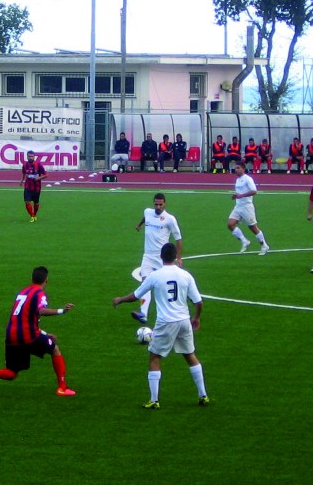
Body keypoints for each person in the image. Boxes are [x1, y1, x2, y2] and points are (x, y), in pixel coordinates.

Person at [112, 242, 208, 409]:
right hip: (184, 321)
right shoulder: (186, 275)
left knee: (155, 357)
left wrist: (120, 299)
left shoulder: (155, 276)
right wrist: (197, 318)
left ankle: (154, 400)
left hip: (166, 322)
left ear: (161, 257)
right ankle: (203, 395)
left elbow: (136, 295)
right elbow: (198, 302)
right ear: (175, 256)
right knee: (190, 355)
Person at [0, 266, 76, 396]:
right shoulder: (39, 293)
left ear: (32, 278)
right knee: (55, 349)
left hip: (11, 335)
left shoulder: (22, 292)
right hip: (28, 336)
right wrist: (62, 311)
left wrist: (43, 334)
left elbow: (24, 318)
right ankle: (62, 388)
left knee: (12, 373)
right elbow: (41, 310)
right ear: (46, 280)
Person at [132, 192, 183, 325]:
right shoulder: (148, 212)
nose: (158, 207)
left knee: (167, 285)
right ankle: (143, 313)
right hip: (147, 256)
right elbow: (145, 217)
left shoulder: (170, 219)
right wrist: (139, 224)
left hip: (162, 258)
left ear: (165, 204)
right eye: (156, 204)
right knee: (145, 284)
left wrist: (179, 257)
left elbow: (178, 238)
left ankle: (177, 311)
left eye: (160, 204)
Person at [229, 161, 270, 255]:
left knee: (253, 227)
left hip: (247, 207)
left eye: (238, 168)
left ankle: (264, 245)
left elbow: (254, 191)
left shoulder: (248, 179)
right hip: (238, 206)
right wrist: (236, 196)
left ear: (243, 169)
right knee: (230, 224)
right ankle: (244, 241)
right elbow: (239, 193)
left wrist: (241, 195)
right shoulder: (238, 180)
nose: (236, 170)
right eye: (235, 168)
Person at [21, 150, 46, 222]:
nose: (30, 158)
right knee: (27, 201)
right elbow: (23, 173)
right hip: (28, 186)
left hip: (37, 187)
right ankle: (32, 216)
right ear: (27, 157)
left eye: (32, 156)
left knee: (36, 202)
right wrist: (21, 181)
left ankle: (34, 214)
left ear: (34, 157)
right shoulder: (25, 165)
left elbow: (46, 174)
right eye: (29, 156)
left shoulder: (38, 164)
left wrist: (38, 178)